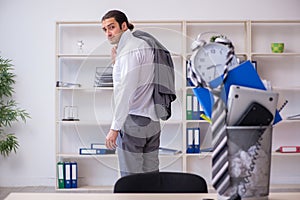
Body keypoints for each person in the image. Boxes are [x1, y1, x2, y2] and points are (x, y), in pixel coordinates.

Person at [101, 10, 161, 177]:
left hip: (134, 121)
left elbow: (126, 90)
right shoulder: (143, 45)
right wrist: (115, 63)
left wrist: (115, 128)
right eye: (105, 29)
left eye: (112, 27)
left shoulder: (129, 50)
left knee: (131, 181)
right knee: (151, 178)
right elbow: (139, 81)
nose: (108, 33)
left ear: (124, 25)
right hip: (153, 121)